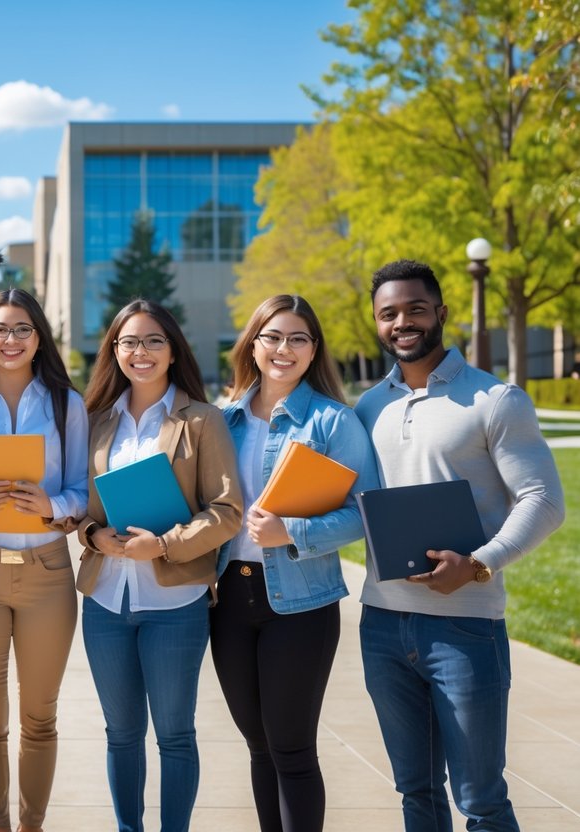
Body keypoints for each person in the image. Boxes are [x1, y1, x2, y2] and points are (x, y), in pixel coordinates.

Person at [354, 260, 564, 831]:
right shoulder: (368, 408)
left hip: (464, 628)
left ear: (441, 313)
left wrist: (477, 565)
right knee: (416, 793)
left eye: (415, 309)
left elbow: (544, 501)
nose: (403, 322)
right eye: (388, 313)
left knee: (481, 799)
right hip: (381, 625)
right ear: (376, 323)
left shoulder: (496, 400)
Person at [214, 295, 379, 832]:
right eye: (273, 337)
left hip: (300, 603)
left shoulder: (334, 421)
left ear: (314, 351)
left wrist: (295, 532)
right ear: (253, 344)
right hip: (227, 601)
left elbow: (366, 514)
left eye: (298, 339)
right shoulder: (223, 419)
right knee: (258, 745)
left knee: (291, 748)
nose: (284, 349)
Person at [78, 299, 243, 832]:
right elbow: (80, 507)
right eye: (128, 342)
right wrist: (91, 534)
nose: (140, 352)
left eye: (153, 341)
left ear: (173, 351)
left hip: (175, 602)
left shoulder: (201, 419)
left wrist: (166, 544)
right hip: (106, 601)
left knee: (174, 733)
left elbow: (226, 511)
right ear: (114, 351)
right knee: (120, 733)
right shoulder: (96, 421)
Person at [0, 288, 89, 832]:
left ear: (39, 339)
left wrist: (54, 505)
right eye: (0, 329)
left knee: (39, 718)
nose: (11, 340)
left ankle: (31, 825)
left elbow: (82, 487)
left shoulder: (66, 404)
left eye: (23, 330)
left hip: (47, 573)